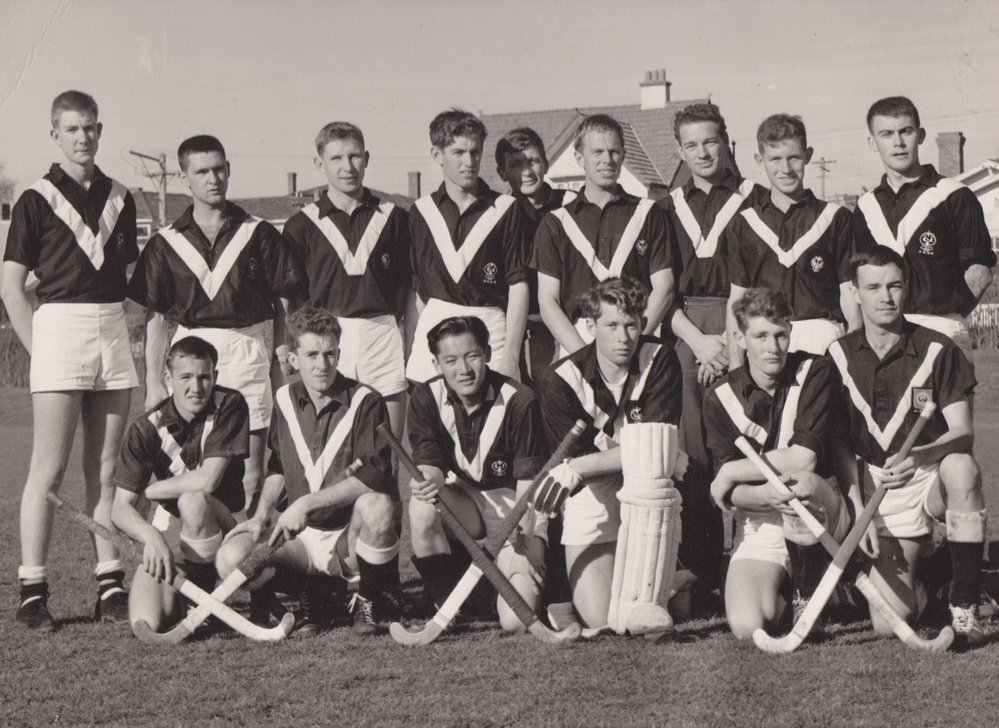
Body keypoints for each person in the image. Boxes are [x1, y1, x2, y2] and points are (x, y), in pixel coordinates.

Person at [2, 90, 139, 630]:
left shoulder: (122, 196)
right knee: (49, 468)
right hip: (58, 328)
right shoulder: (35, 199)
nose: (83, 138)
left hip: (110, 327)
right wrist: (42, 353)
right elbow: (12, 289)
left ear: (100, 132)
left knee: (104, 469)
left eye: (91, 129)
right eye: (72, 129)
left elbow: (126, 279)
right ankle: (33, 588)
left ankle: (109, 583)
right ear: (54, 134)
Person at [127, 135, 301, 513]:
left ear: (228, 170)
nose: (213, 178)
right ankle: (200, 560)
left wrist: (279, 358)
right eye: (202, 171)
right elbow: (156, 319)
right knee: (196, 469)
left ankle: (248, 563)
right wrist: (154, 383)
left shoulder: (259, 233)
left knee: (251, 474)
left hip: (248, 350)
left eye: (219, 169)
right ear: (184, 177)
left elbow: (282, 304)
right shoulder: (166, 243)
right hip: (191, 358)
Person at [826, 247, 987, 647]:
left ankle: (965, 608)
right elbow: (839, 444)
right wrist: (859, 510)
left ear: (906, 288)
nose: (886, 296)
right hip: (871, 489)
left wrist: (921, 455)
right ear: (855, 292)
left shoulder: (938, 349)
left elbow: (963, 433)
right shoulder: (837, 356)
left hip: (925, 479)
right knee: (888, 624)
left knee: (962, 468)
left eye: (895, 285)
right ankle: (931, 579)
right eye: (874, 287)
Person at [216, 307, 401, 635]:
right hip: (300, 539)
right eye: (312, 354)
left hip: (349, 537)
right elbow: (277, 468)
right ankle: (311, 595)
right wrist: (260, 516)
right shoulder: (283, 399)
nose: (322, 364)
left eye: (330, 353)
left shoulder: (366, 400)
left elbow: (374, 477)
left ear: (339, 353)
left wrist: (305, 504)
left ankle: (366, 601)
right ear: (293, 358)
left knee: (379, 506)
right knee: (230, 558)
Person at [704, 288, 854, 639]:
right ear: (740, 338)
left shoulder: (815, 371)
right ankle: (795, 591)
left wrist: (730, 472)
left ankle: (807, 596)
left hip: (819, 510)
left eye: (781, 334)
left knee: (798, 483)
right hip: (760, 520)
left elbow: (804, 457)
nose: (773, 347)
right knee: (747, 625)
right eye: (761, 336)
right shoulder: (719, 398)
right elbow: (731, 497)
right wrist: (763, 497)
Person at [534, 277, 682, 629]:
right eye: (611, 325)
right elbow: (579, 468)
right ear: (590, 326)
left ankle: (671, 578)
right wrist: (587, 467)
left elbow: (655, 450)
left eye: (631, 325)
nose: (623, 337)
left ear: (643, 324)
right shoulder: (561, 379)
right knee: (601, 620)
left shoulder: (659, 358)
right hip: (594, 495)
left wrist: (584, 465)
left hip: (648, 490)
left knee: (649, 612)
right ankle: (668, 580)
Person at [657, 102, 757, 607]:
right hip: (687, 332)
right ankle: (701, 570)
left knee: (743, 442)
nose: (702, 152)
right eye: (691, 145)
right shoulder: (665, 207)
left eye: (711, 141)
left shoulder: (754, 200)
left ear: (727, 142)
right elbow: (662, 291)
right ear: (679, 150)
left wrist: (731, 342)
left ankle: (749, 559)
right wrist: (699, 343)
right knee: (694, 454)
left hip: (744, 330)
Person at [407, 315, 546, 631]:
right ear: (436, 362)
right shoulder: (426, 397)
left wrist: (525, 543)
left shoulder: (520, 400)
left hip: (517, 508)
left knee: (514, 623)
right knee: (421, 506)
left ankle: (497, 590)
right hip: (466, 499)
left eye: (472, 356)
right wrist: (427, 482)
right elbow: (430, 464)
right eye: (451, 360)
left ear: (486, 353)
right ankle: (448, 606)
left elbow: (529, 489)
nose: (464, 370)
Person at [111, 337, 248, 634]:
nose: (196, 387)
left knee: (194, 502)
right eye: (185, 377)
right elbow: (119, 509)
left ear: (215, 377)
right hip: (172, 527)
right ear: (168, 378)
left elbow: (207, 480)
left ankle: (205, 600)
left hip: (228, 524)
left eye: (204, 377)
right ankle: (190, 600)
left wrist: (147, 491)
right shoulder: (146, 428)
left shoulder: (230, 404)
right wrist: (150, 535)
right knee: (146, 620)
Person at [282, 121, 410, 438]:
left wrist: (409, 341)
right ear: (319, 163)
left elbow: (409, 287)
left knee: (389, 452)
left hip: (382, 333)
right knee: (328, 448)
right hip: (326, 338)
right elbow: (288, 298)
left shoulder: (394, 217)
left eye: (354, 156)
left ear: (366, 158)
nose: (347, 167)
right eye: (336, 158)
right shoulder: (301, 225)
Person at [854, 96, 995, 357]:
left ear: (920, 135)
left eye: (905, 131)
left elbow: (980, 272)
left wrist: (947, 316)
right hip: (884, 333)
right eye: (886, 134)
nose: (897, 143)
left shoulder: (954, 195)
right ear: (873, 142)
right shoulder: (866, 206)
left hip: (941, 327)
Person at [532, 115, 674, 358]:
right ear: (579, 158)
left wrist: (634, 340)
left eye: (614, 152)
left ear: (623, 155)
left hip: (636, 335)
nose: (607, 160)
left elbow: (665, 287)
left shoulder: (649, 213)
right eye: (597, 152)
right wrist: (582, 356)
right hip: (577, 340)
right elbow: (548, 302)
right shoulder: (555, 223)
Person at [724, 114, 861, 365]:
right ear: (759, 160)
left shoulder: (835, 218)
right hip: (766, 338)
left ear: (808, 156)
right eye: (775, 159)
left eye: (794, 158)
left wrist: (857, 354)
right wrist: (736, 366)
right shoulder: (744, 223)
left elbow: (849, 293)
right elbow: (737, 298)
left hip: (822, 339)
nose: (785, 169)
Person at [407, 110, 529, 383]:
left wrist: (511, 353)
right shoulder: (420, 212)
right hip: (435, 334)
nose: (469, 162)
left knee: (493, 420)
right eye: (458, 152)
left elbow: (519, 285)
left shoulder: (506, 209)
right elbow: (415, 293)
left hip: (490, 333)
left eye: (475, 152)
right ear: (437, 154)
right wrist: (411, 350)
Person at [494, 126, 576, 381]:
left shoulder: (572, 204)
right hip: (529, 329)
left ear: (546, 163)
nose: (527, 172)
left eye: (533, 161)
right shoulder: (499, 215)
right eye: (516, 164)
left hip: (572, 323)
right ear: (502, 173)